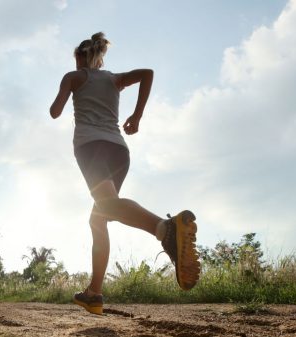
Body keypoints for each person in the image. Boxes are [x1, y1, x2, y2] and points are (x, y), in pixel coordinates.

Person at [49, 32, 200, 315]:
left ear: (80, 57)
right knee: (99, 218)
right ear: (100, 56)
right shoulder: (113, 79)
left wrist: (64, 94)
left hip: (90, 147)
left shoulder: (73, 76)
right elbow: (147, 74)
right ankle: (94, 293)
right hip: (119, 150)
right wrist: (137, 115)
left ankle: (164, 229)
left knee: (106, 207)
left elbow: (55, 111)